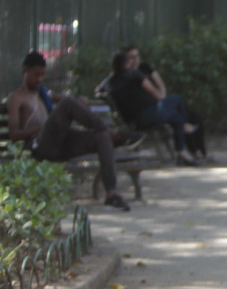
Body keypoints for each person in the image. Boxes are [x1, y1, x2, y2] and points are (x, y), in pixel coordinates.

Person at [6, 51, 138, 211]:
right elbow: (13, 135)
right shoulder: (16, 97)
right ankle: (114, 133)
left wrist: (79, 100)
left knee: (101, 136)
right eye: (35, 75)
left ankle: (111, 194)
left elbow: (68, 101)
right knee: (70, 103)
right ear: (24, 71)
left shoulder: (44, 94)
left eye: (42, 75)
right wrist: (41, 127)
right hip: (38, 146)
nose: (39, 79)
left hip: (59, 145)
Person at [107, 48, 204, 166]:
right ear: (127, 63)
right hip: (150, 114)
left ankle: (182, 153)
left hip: (133, 122)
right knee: (176, 98)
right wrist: (161, 96)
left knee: (177, 118)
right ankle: (185, 127)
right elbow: (156, 94)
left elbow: (98, 90)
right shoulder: (134, 74)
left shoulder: (111, 82)